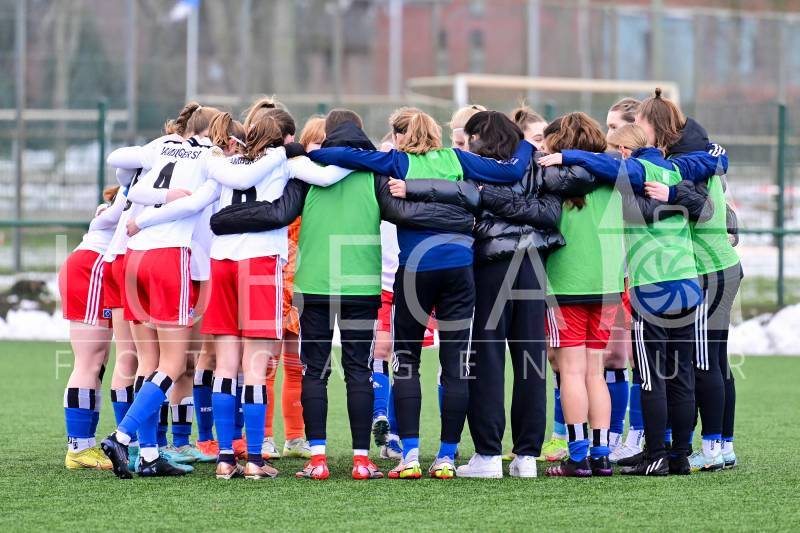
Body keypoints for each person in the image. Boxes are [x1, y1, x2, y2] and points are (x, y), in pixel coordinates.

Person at [210, 108, 491, 480]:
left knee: (314, 371)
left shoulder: (306, 169)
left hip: (314, 284)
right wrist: (461, 220)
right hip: (361, 283)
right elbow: (402, 213)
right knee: (359, 371)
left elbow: (279, 213)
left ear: (328, 136)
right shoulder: (373, 171)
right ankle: (361, 461)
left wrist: (222, 219)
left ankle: (318, 459)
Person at [307, 107, 533, 479]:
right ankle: (446, 458)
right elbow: (511, 171)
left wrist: (306, 151)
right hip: (459, 268)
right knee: (455, 363)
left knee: (407, 361)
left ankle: (410, 456)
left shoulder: (397, 162)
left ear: (402, 137)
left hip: (416, 270)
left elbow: (342, 155)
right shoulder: (457, 158)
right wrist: (525, 144)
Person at [539, 118, 727, 476]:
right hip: (664, 282)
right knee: (670, 374)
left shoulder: (614, 176)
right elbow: (704, 188)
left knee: (621, 376)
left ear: (625, 151)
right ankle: (663, 454)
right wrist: (714, 160)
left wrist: (563, 158)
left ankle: (600, 455)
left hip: (610, 285)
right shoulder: (669, 171)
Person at [400, 110, 563, 478]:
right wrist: (521, 211)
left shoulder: (474, 168)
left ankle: (488, 455)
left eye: (468, 137)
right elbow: (547, 214)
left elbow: (474, 205)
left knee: (487, 357)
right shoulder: (537, 165)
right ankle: (526, 456)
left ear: (480, 138)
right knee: (530, 360)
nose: (465, 144)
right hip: (533, 262)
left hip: (491, 263)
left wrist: (490, 199)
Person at [636, 89, 741, 471]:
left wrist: (669, 192)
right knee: (714, 360)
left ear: (654, 127)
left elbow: (703, 207)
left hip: (707, 269)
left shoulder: (682, 165)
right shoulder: (700, 155)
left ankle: (712, 447)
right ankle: (722, 444)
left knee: (705, 362)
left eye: (639, 124)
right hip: (718, 265)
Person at [261, 116, 324, 461]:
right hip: (274, 276)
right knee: (266, 364)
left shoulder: (326, 181)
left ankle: (296, 436)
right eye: (317, 142)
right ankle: (264, 436)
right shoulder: (290, 175)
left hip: (303, 279)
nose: (322, 150)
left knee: (297, 365)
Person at [59, 185, 125, 470]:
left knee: (97, 363)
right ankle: (78, 448)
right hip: (92, 268)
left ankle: (83, 445)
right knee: (90, 361)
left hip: (92, 266)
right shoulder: (133, 193)